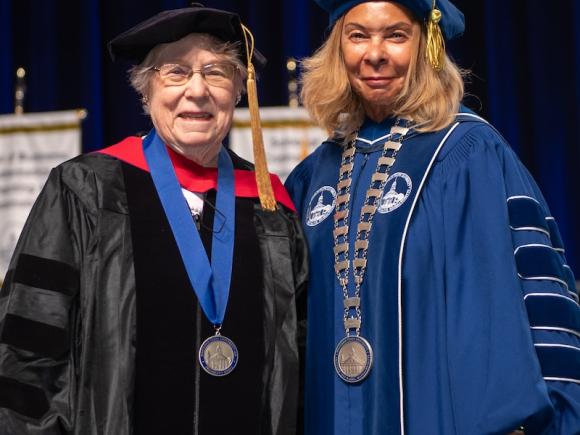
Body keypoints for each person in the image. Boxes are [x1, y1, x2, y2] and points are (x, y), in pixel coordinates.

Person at [0, 5, 307, 435]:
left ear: (240, 89)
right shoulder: (85, 190)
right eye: (176, 72)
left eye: (216, 72)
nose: (197, 91)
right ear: (146, 92)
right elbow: (30, 356)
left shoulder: (270, 206)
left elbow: (298, 360)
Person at [284, 0, 580, 434]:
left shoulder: (468, 152)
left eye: (396, 35)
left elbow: (532, 295)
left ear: (427, 47)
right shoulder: (314, 175)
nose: (375, 53)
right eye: (359, 35)